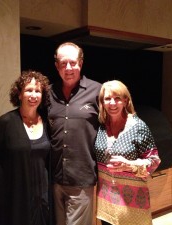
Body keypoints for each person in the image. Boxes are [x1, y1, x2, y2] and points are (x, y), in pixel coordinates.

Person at [0, 70, 51, 225]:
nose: (33, 95)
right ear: (19, 94)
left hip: (41, 197)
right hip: (13, 194)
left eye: (37, 91)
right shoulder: (6, 122)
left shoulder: (47, 122)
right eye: (28, 90)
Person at [48, 42, 101, 225]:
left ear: (81, 62)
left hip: (82, 178)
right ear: (57, 66)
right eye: (63, 63)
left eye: (73, 62)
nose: (68, 68)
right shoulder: (48, 94)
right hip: (54, 178)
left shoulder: (97, 91)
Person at [94, 80, 161, 225]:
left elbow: (155, 161)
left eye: (117, 98)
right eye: (107, 99)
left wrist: (130, 165)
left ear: (125, 100)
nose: (112, 103)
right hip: (107, 201)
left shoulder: (138, 127)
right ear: (102, 102)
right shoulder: (101, 127)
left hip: (132, 204)